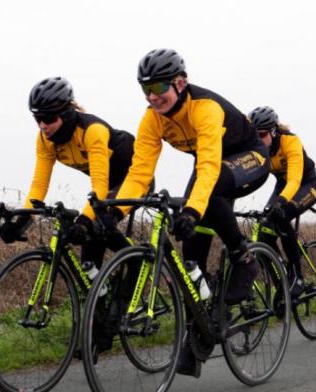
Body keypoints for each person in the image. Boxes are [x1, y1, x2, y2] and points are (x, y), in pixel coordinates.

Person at [103, 49, 270, 377]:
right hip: (213, 164)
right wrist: (115, 212)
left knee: (205, 193)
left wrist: (193, 209)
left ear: (180, 83)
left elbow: (208, 166)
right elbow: (139, 173)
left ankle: (243, 257)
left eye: (160, 87)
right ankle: (201, 330)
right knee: (190, 256)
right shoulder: (152, 118)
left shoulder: (204, 108)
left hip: (249, 157)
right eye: (146, 90)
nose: (153, 97)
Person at [0, 76, 136, 355]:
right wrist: (21, 218)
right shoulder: (46, 139)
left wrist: (84, 221)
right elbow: (39, 184)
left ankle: (132, 268)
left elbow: (98, 188)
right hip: (106, 187)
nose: (43, 125)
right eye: (37, 119)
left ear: (66, 112)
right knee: (88, 263)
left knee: (96, 227)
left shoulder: (92, 130)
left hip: (132, 178)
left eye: (47, 118)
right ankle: (100, 329)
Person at [248, 106, 316, 297]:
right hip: (282, 184)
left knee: (281, 216)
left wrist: (280, 202)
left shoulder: (290, 141)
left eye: (262, 135)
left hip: (306, 184)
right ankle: (281, 280)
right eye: (255, 136)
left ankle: (297, 275)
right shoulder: (257, 149)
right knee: (264, 229)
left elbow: (295, 179)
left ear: (273, 131)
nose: (259, 140)